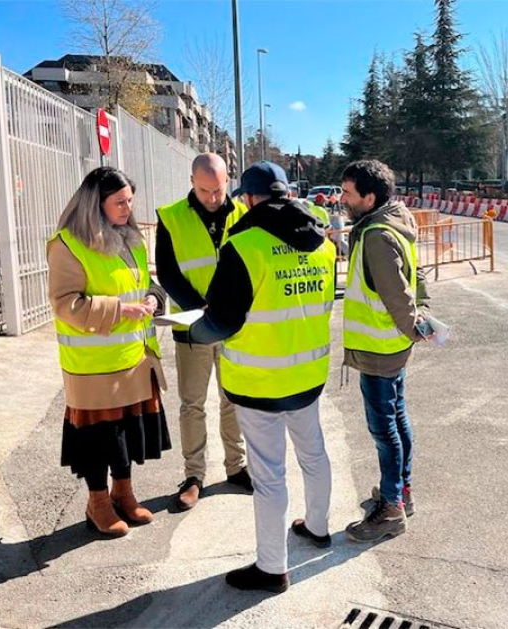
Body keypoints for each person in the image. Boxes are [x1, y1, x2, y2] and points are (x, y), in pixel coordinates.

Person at [189, 161, 336, 593]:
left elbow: (222, 320)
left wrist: (195, 330)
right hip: (307, 375)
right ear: (287, 194)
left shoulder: (244, 246)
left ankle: (272, 568)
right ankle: (318, 527)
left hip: (259, 383)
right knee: (314, 454)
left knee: (269, 475)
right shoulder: (322, 244)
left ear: (249, 199)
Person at [47, 166, 171, 538]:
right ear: (95, 204)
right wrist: (119, 310)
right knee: (98, 438)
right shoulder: (67, 244)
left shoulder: (130, 239)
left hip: (132, 358)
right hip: (92, 365)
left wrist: (153, 297)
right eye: (119, 202)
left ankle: (124, 493)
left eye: (131, 201)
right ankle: (98, 502)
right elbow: (65, 304)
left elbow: (146, 283)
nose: (127, 209)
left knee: (126, 434)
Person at [339, 159, 429, 543]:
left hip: (379, 349)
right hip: (391, 346)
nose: (341, 198)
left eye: (347, 193)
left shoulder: (376, 234)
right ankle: (400, 493)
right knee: (397, 418)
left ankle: (391, 508)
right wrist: (420, 319)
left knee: (384, 429)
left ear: (369, 197)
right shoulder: (396, 221)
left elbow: (395, 292)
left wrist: (414, 324)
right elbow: (418, 277)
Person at [156, 153, 252, 511]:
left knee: (233, 399)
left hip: (233, 327)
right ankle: (194, 475)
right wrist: (201, 306)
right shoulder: (171, 217)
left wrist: (228, 305)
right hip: (193, 325)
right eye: (204, 190)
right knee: (192, 404)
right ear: (191, 182)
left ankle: (236, 467)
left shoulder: (243, 215)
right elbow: (167, 272)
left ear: (228, 180)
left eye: (219, 189)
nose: (213, 198)